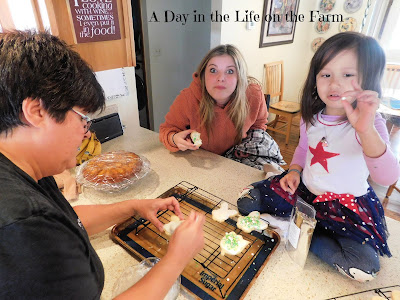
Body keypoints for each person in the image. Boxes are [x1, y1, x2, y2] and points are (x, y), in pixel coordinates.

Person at [0, 30, 205, 299]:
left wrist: (133, 207)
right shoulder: (22, 227)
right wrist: (177, 258)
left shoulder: (24, 170)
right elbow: (44, 230)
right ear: (37, 112)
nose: (86, 132)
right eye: (82, 119)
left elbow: (66, 221)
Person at [237, 32, 400, 282]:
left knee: (364, 268)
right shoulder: (311, 115)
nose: (334, 84)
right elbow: (304, 149)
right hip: (306, 193)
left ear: (367, 80)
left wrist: (365, 129)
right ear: (315, 79)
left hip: (345, 207)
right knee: (246, 203)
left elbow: (387, 176)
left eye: (348, 75)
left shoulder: (371, 123)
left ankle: (292, 229)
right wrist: (293, 170)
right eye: (326, 74)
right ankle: (298, 224)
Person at [159, 44, 269, 155]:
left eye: (230, 71)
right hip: (203, 160)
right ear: (203, 75)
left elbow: (258, 126)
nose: (220, 78)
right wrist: (174, 139)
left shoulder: (254, 95)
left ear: (240, 76)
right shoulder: (187, 98)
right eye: (213, 70)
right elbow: (166, 130)